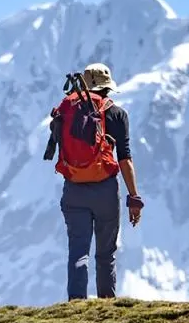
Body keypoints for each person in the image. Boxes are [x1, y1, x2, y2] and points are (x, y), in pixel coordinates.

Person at [44, 63, 145, 300]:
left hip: (74, 188)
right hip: (105, 190)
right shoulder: (117, 113)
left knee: (78, 251)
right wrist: (134, 197)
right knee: (105, 254)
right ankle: (106, 306)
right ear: (107, 88)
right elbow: (125, 159)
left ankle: (76, 304)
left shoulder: (67, 109)